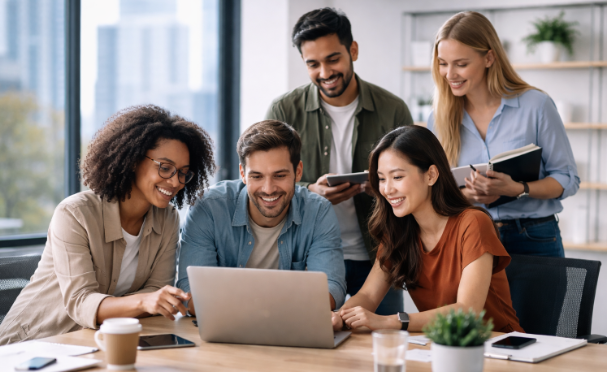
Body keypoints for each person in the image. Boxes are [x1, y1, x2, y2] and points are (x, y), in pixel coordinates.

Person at [0, 105, 216, 345]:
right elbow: (81, 302)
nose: (175, 181)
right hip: (31, 346)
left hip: (91, 345)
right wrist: (144, 301)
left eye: (183, 173)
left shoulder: (167, 220)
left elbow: (157, 290)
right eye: (165, 168)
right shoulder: (75, 213)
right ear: (134, 160)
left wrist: (149, 300)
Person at [265, 8, 413, 315]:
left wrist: (386, 186)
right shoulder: (283, 110)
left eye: (333, 59)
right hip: (309, 257)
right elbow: (265, 182)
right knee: (309, 347)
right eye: (313, 64)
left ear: (353, 51)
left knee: (379, 348)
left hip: (379, 259)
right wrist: (309, 192)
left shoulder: (392, 110)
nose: (324, 72)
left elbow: (413, 182)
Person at [333, 126, 523, 333]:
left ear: (431, 175)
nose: (387, 189)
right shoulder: (398, 231)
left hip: (497, 346)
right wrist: (337, 317)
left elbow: (468, 311)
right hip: (440, 345)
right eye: (381, 178)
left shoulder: (473, 223)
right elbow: (368, 296)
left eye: (397, 177)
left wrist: (390, 322)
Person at [427, 11, 579, 257]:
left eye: (461, 64)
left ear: (489, 58)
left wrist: (518, 188)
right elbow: (435, 194)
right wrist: (469, 194)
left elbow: (567, 179)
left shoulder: (536, 105)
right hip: (470, 237)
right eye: (443, 63)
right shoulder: (437, 119)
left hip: (534, 238)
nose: (449, 74)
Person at [177, 120, 346, 314]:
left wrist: (241, 305)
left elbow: (332, 290)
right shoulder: (208, 209)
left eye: (279, 175)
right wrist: (283, 304)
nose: (268, 189)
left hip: (286, 332)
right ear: (242, 173)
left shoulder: (318, 212)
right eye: (257, 177)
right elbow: (189, 292)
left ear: (298, 171)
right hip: (228, 328)